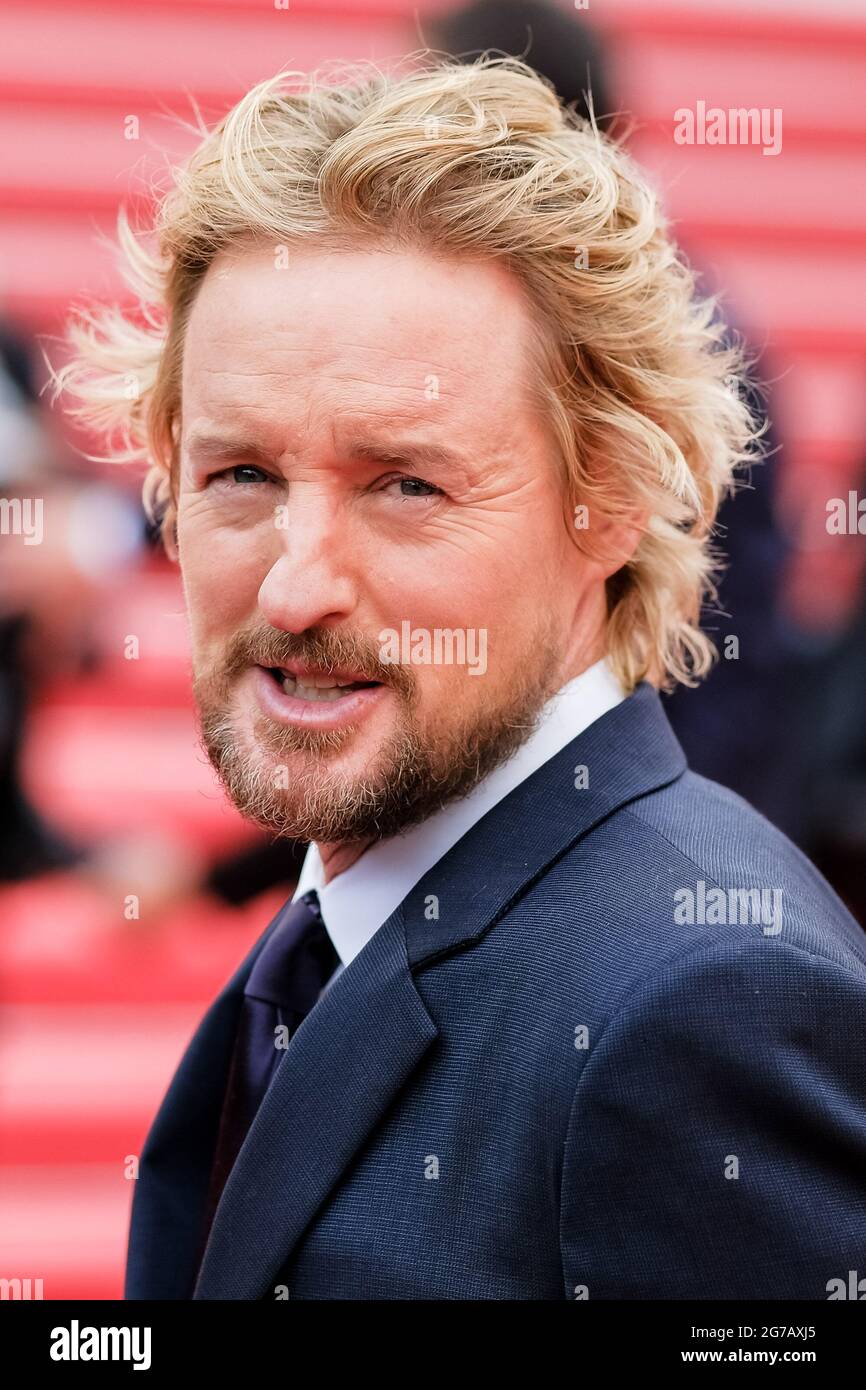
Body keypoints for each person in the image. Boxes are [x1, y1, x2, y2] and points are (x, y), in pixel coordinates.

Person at [57, 56, 866, 1301]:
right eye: (241, 476)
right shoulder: (350, 915)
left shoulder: (701, 1009)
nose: (295, 588)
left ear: (610, 505)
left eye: (405, 485)